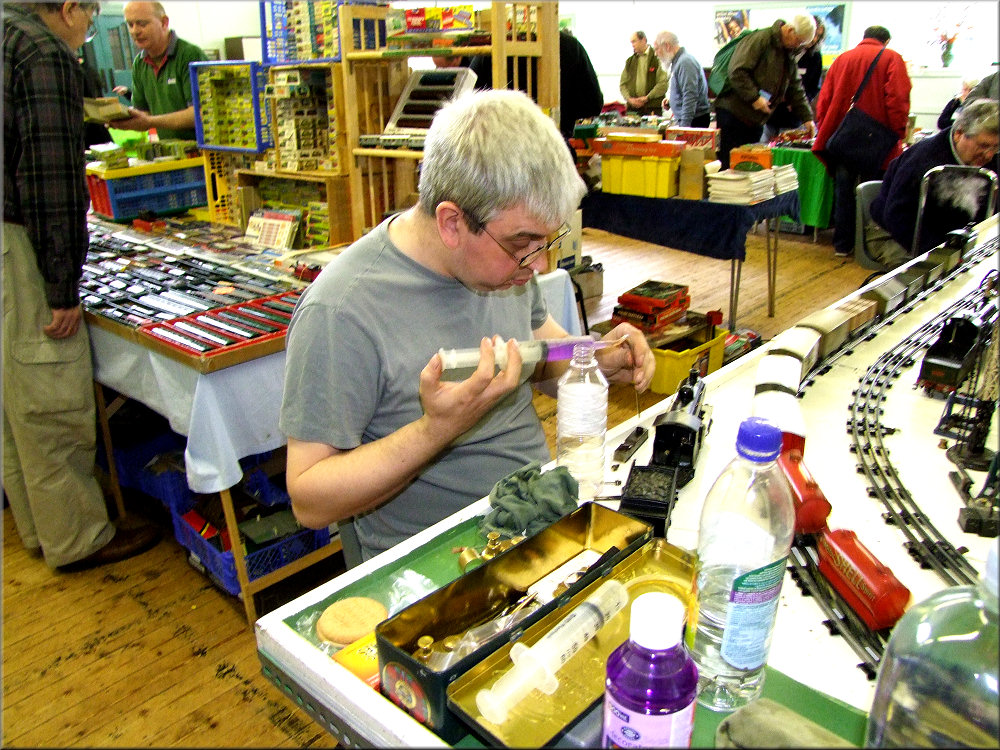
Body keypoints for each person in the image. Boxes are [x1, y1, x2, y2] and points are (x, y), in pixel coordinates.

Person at [279, 89, 655, 562]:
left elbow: (544, 358)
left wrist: (594, 359)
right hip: (440, 558)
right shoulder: (340, 311)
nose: (539, 266)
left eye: (546, 241)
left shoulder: (506, 267)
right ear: (452, 222)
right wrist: (436, 430)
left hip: (537, 513)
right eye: (523, 244)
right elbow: (309, 500)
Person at [4, 1, 162, 570]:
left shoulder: (5, 33)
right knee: (51, 403)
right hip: (20, 243)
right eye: (91, 17)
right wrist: (61, 286)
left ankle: (41, 530)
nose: (89, 29)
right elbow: (51, 178)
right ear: (70, 8)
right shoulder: (42, 52)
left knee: (16, 406)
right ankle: (77, 539)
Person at [812, 25, 911, 257]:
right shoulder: (891, 58)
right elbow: (897, 98)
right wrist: (899, 130)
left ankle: (842, 244)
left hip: (844, 136)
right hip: (877, 140)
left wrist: (826, 127)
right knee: (873, 192)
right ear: (886, 41)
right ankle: (867, 246)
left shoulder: (841, 59)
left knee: (844, 192)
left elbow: (824, 100)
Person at [871, 98, 999, 256]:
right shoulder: (923, 161)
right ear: (958, 134)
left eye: (995, 147)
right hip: (895, 234)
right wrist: (944, 255)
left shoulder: (991, 161)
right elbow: (898, 218)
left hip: (958, 237)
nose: (989, 155)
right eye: (983, 146)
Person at [713, 15, 817, 170]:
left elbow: (795, 87)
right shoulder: (761, 39)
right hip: (733, 115)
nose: (799, 46)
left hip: (755, 120)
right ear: (790, 30)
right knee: (730, 169)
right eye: (798, 41)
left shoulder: (788, 53)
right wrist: (755, 98)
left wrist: (807, 118)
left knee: (750, 170)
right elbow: (737, 71)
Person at [466, 29, 603, 140]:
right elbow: (593, 105)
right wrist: (563, 109)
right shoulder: (570, 46)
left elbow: (466, 105)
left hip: (501, 153)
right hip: (555, 147)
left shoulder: (494, 46)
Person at [111, 1, 205, 141]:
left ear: (164, 22)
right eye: (130, 25)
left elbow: (201, 113)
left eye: (142, 24)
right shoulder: (140, 64)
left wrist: (150, 121)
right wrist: (122, 118)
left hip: (201, 150)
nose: (135, 31)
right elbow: (143, 113)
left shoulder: (189, 56)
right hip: (169, 151)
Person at [763, 15, 825, 141]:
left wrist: (798, 103)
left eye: (818, 36)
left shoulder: (815, 57)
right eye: (813, 34)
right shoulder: (784, 49)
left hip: (793, 116)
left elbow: (813, 87)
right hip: (770, 111)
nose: (814, 39)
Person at [653, 30, 711, 128]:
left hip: (694, 120)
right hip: (691, 119)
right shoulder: (678, 62)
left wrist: (684, 128)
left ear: (667, 46)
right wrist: (671, 100)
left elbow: (690, 96)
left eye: (657, 49)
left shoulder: (685, 62)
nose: (655, 54)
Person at [619, 31, 668, 117]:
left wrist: (647, 98)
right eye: (631, 42)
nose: (632, 45)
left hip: (652, 108)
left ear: (643, 40)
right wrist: (630, 100)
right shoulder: (630, 61)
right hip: (633, 109)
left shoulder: (657, 58)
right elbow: (623, 84)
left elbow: (663, 84)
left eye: (634, 41)